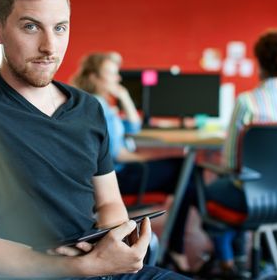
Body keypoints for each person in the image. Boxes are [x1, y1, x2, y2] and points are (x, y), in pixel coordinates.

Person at [0, 0, 190, 280]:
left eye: (60, 28)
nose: (50, 47)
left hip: (102, 269)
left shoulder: (88, 108)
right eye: (30, 26)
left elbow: (109, 202)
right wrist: (81, 266)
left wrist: (114, 243)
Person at [72, 52, 199, 274]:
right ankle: (197, 237)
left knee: (187, 178)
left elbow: (133, 128)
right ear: (93, 77)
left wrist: (124, 97)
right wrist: (147, 158)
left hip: (125, 172)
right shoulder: (96, 106)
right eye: (111, 74)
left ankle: (182, 245)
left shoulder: (103, 104)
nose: (117, 79)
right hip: (118, 177)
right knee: (186, 170)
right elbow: (114, 155)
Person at [204, 29, 277, 274]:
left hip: (252, 199)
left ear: (260, 62)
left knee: (203, 190)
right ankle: (245, 256)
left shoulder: (247, 102)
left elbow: (230, 163)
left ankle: (227, 260)